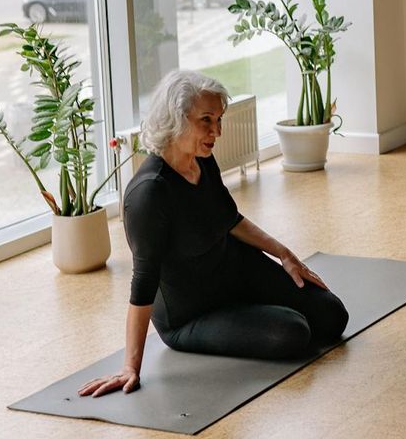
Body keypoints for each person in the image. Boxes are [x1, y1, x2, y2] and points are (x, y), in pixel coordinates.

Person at [78, 70, 348, 397]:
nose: (216, 131)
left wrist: (285, 255)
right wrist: (130, 367)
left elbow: (230, 219)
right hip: (191, 313)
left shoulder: (202, 160)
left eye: (219, 119)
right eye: (206, 120)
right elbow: (143, 282)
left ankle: (252, 309)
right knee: (292, 333)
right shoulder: (149, 194)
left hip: (234, 274)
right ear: (175, 118)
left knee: (332, 316)